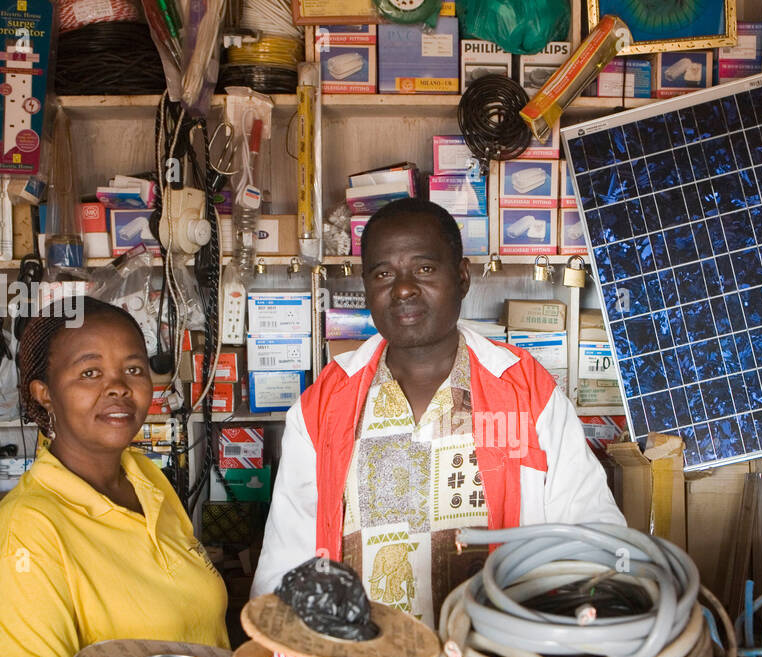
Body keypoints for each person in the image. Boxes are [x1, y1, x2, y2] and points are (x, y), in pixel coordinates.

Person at [253, 198, 624, 626]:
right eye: (383, 273)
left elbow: (592, 533)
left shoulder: (525, 390)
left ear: (462, 277)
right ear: (366, 286)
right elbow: (286, 562)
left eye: (424, 269)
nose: (403, 288)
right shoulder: (325, 404)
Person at [0, 297, 229, 657]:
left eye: (133, 369)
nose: (118, 386)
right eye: (89, 372)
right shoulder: (27, 529)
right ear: (44, 394)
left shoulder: (144, 477)